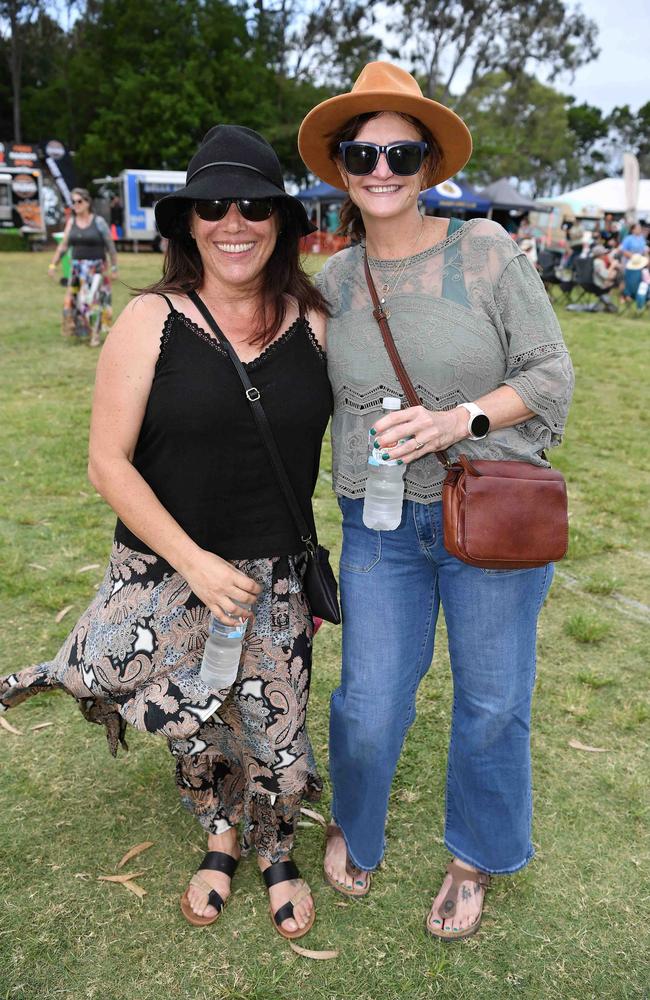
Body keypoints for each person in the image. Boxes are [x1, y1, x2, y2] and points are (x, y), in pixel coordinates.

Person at [1, 125, 331, 940]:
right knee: (193, 717)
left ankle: (275, 850)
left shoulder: (317, 324)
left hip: (276, 577)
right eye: (212, 204)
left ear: (281, 222)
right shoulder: (151, 318)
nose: (233, 221)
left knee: (276, 731)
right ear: (187, 222)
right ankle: (219, 834)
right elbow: (108, 463)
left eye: (254, 204)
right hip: (166, 568)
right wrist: (198, 564)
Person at [298, 62, 574, 941]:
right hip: (375, 522)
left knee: (493, 700)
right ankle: (357, 818)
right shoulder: (331, 282)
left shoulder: (485, 249)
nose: (382, 167)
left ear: (428, 164)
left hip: (489, 512)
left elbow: (552, 375)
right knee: (369, 700)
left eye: (401, 151)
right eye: (362, 151)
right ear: (341, 165)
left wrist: (462, 417)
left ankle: (475, 855)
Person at [48, 187, 118, 346]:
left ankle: (95, 335)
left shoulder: (98, 222)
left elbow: (110, 247)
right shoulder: (71, 222)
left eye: (79, 201)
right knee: (76, 303)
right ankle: (81, 330)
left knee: (94, 302)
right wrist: (53, 265)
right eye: (73, 202)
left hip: (96, 270)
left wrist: (114, 268)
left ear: (87, 202)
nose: (75, 205)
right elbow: (64, 246)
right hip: (77, 269)